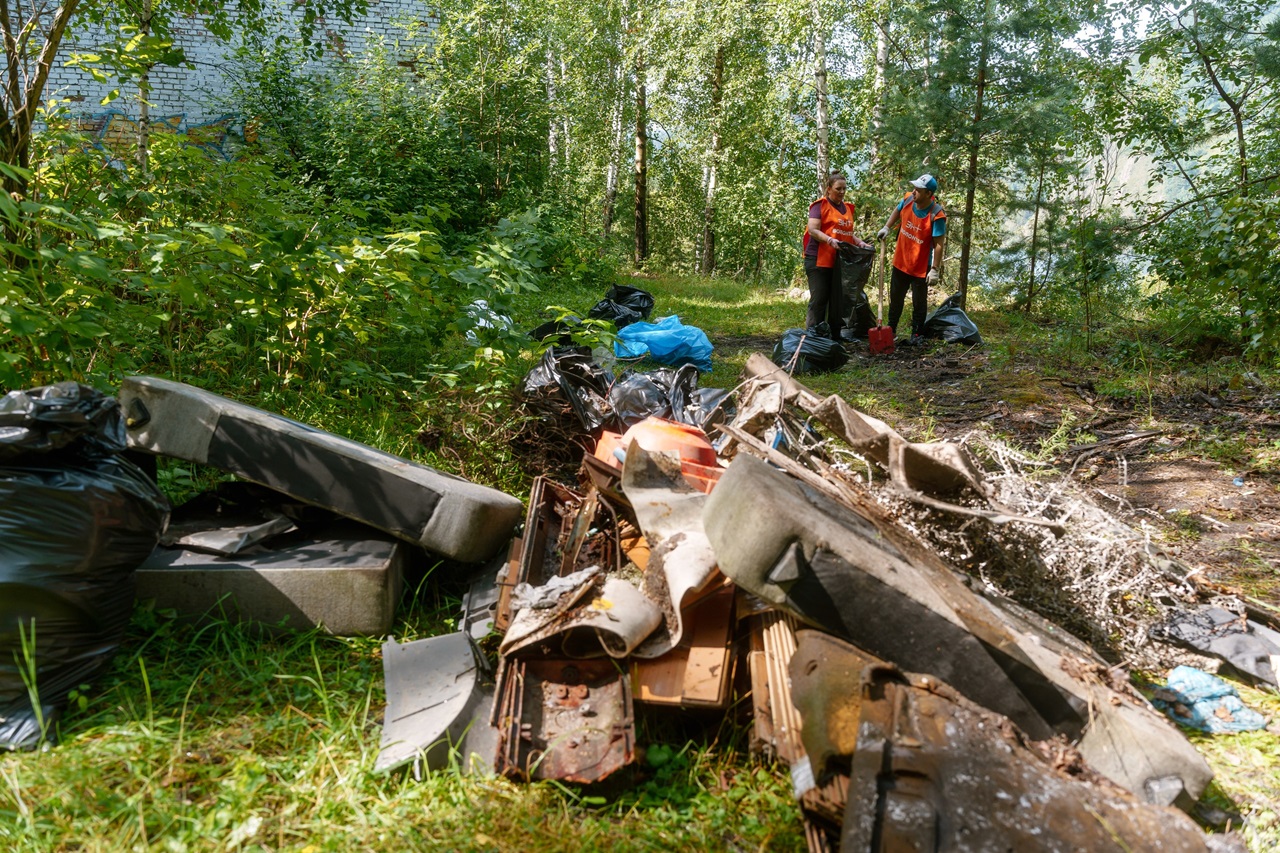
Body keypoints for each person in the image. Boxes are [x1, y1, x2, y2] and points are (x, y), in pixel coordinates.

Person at [875, 173, 947, 346]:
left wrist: (935, 269)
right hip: (901, 262)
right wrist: (887, 226)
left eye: (918, 190)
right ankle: (890, 331)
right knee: (896, 299)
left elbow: (938, 244)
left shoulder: (936, 214)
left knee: (919, 303)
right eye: (914, 188)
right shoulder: (908, 200)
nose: (914, 192)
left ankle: (916, 334)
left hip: (921, 267)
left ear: (928, 194)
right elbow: (897, 210)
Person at [805, 171, 871, 340]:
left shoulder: (847, 208)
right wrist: (828, 240)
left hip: (839, 262)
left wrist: (859, 243)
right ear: (828, 189)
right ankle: (814, 336)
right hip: (818, 259)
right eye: (838, 189)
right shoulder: (819, 206)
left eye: (844, 189)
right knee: (819, 299)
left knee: (838, 300)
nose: (842, 192)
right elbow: (813, 229)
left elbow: (846, 233)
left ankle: (835, 335)